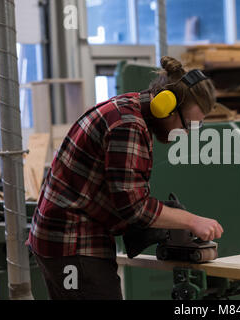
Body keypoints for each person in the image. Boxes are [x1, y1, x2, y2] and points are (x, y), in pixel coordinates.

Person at [26, 56, 224, 300]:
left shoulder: (127, 108)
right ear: (165, 106)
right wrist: (192, 221)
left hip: (61, 240)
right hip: (73, 243)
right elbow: (135, 208)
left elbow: (117, 197)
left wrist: (164, 219)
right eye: (188, 126)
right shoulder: (128, 125)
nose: (185, 134)